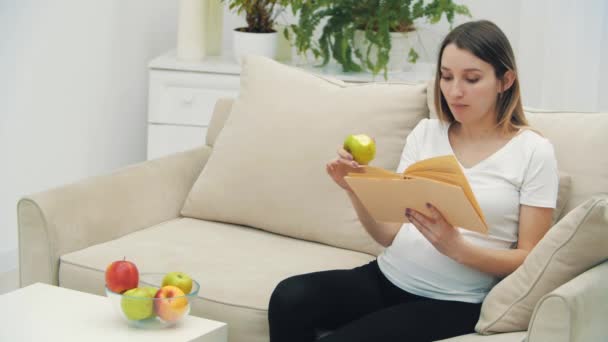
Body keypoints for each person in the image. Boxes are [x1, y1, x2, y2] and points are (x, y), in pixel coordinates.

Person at [267, 20, 559, 342]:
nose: (454, 91)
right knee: (288, 297)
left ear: (505, 80)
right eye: (446, 77)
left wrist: (457, 248)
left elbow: (530, 259)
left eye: (472, 79)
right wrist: (355, 189)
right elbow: (389, 235)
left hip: (453, 301)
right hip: (388, 276)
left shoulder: (534, 152)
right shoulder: (425, 134)